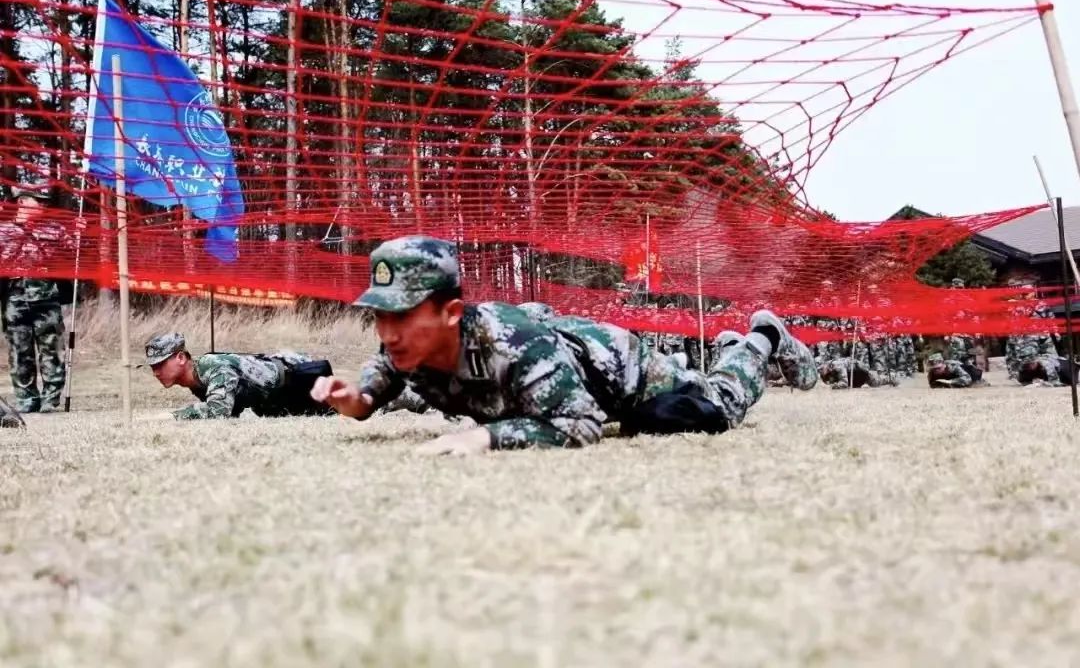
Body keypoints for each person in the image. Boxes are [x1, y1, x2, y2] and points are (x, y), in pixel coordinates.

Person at [311, 236, 819, 455]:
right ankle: (742, 342)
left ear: (452, 313)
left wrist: (486, 439)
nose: (388, 333)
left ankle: (762, 338)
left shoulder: (514, 346)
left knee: (718, 405)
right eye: (380, 316)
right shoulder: (408, 347)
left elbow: (580, 425)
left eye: (402, 316)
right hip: (579, 363)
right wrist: (357, 399)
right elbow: (382, 376)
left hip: (629, 373)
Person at [143, 332, 335, 419]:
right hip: (277, 398)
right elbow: (231, 410)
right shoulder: (194, 379)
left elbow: (219, 411)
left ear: (181, 358)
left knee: (333, 413)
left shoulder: (211, 365)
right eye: (153, 367)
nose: (156, 372)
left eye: (160, 364)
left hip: (298, 382)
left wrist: (171, 416)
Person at [1, 187, 73, 413]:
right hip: (14, 297)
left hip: (46, 295)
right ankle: (26, 400)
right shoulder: (3, 231)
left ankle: (50, 398)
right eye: (38, 200)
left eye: (44, 201)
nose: (43, 204)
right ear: (22, 202)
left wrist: (81, 234)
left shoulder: (55, 230)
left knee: (52, 348)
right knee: (19, 350)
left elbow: (75, 254)